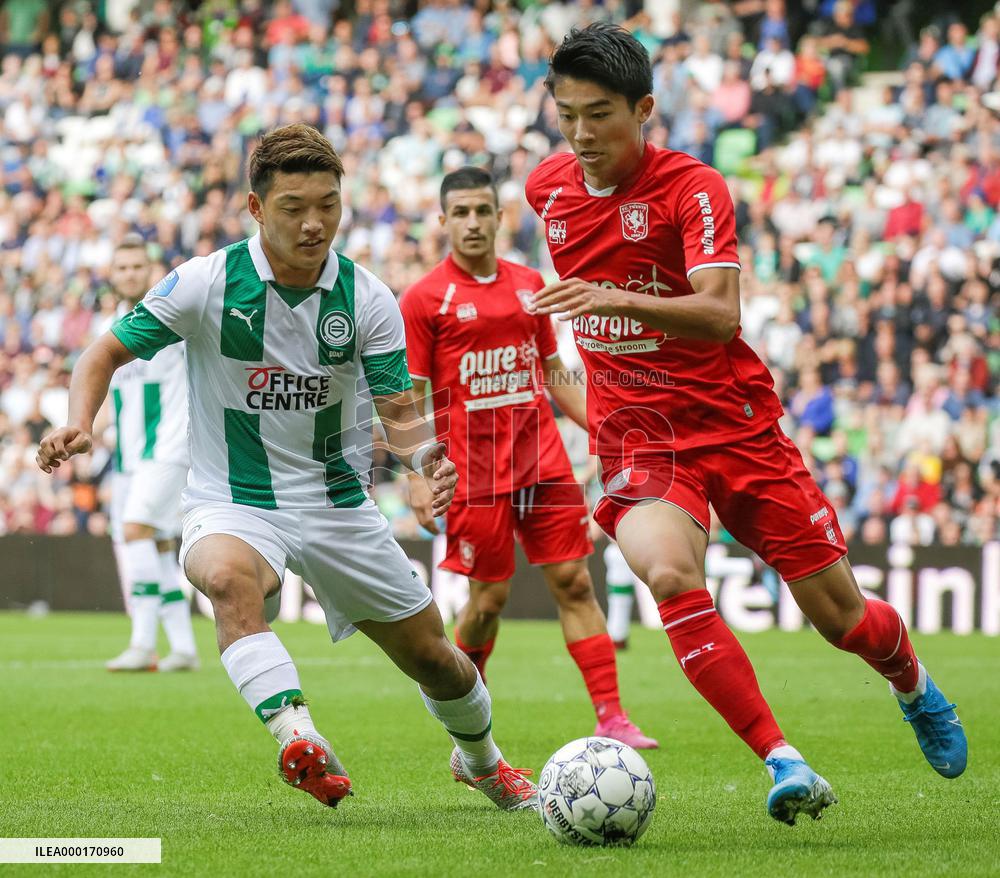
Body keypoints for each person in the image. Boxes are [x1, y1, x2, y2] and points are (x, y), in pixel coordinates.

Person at [525, 23, 966, 825]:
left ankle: (912, 681)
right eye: (567, 116)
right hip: (641, 437)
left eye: (600, 115)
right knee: (666, 573)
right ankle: (783, 760)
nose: (582, 135)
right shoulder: (546, 188)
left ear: (645, 109)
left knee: (842, 621)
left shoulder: (693, 188)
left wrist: (614, 299)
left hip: (736, 428)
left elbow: (721, 316)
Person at [38, 123, 537, 812]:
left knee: (435, 659)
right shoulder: (207, 283)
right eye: (293, 207)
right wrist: (78, 420)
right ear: (254, 208)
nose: (314, 223)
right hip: (233, 499)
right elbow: (102, 354)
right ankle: (297, 737)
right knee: (222, 575)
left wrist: (424, 462)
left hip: (337, 504)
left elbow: (398, 409)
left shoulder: (366, 298)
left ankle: (481, 761)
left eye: (328, 204)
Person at [399, 167, 656, 749]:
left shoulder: (529, 283)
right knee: (487, 601)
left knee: (575, 583)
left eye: (481, 211)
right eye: (459, 212)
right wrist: (416, 472)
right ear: (443, 221)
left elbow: (555, 374)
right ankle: (466, 719)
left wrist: (610, 429)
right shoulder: (423, 299)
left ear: (499, 217)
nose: (471, 222)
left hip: (542, 462)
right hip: (475, 474)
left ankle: (613, 716)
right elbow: (411, 395)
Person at [104, 236, 199, 673]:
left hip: (168, 447)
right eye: (121, 268)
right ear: (112, 275)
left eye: (136, 266)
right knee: (158, 543)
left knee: (136, 529)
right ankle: (183, 647)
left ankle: (142, 643)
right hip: (129, 456)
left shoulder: (171, 317)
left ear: (151, 269)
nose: (129, 274)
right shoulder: (111, 328)